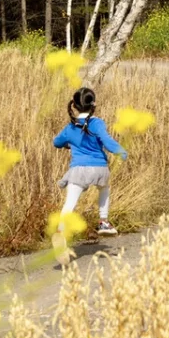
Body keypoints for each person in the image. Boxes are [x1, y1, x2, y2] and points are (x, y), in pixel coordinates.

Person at [52, 86, 127, 237]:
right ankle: (103, 221)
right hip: (100, 169)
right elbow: (106, 140)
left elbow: (56, 142)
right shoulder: (98, 123)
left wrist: (68, 144)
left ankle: (61, 230)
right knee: (104, 189)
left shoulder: (70, 127)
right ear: (94, 105)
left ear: (74, 105)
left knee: (70, 202)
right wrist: (121, 152)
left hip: (78, 170)